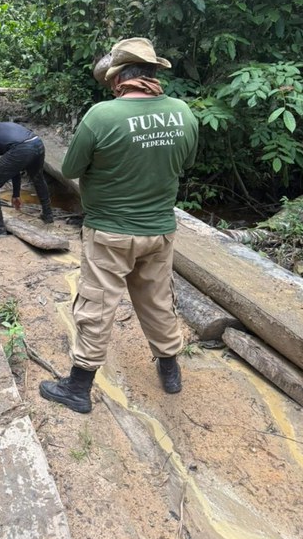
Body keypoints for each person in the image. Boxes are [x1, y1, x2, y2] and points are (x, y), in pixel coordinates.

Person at [39, 37, 198, 413]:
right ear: (153, 72)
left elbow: (71, 169)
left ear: (118, 78)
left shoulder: (101, 116)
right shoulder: (183, 113)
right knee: (158, 301)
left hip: (109, 232)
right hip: (159, 230)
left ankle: (78, 388)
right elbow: (185, 163)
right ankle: (170, 370)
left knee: (97, 304)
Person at [0, 122, 54, 235]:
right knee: (37, 178)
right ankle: (48, 215)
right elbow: (14, 167)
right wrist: (16, 194)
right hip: (37, 142)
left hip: (22, 148)